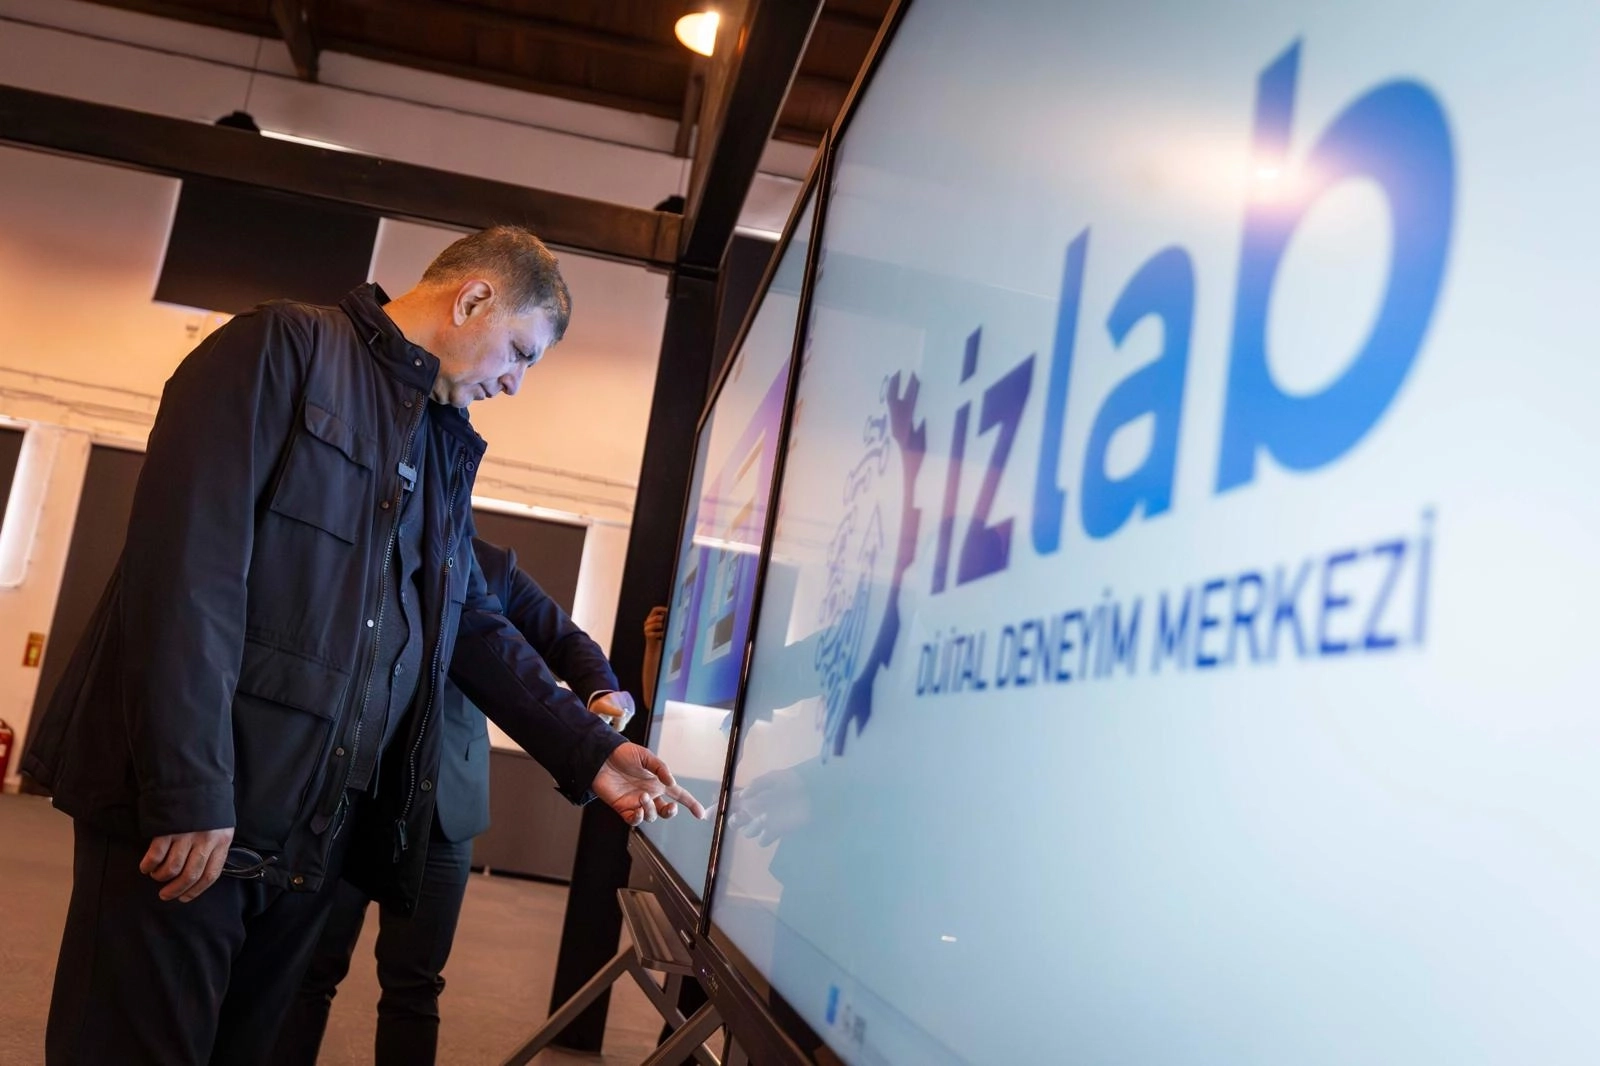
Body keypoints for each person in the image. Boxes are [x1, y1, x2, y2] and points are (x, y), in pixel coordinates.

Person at [22, 226, 703, 1066]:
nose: (515, 383)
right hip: (195, 819)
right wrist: (188, 789)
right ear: (474, 298)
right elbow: (184, 577)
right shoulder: (280, 349)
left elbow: (471, 623)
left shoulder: (438, 444)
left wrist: (590, 751)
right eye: (521, 352)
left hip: (309, 838)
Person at [275, 536, 631, 1065]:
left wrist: (601, 689)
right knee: (310, 971)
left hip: (444, 807)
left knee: (414, 984)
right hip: (348, 800)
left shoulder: (493, 565)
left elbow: (564, 640)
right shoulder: (367, 539)